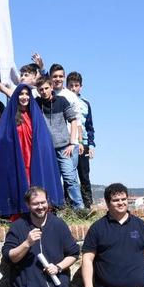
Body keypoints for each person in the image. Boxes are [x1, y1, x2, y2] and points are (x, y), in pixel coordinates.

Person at [0, 83, 64, 216]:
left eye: (27, 94)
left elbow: (44, 138)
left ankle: (39, 210)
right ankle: (21, 211)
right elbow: (2, 136)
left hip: (34, 156)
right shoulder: (10, 115)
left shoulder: (35, 115)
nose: (24, 97)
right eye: (21, 94)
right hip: (18, 157)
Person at [34, 77, 85, 211]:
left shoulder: (62, 101)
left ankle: (79, 208)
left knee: (70, 178)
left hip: (63, 147)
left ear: (51, 87)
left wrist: (72, 143)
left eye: (46, 88)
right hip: (46, 149)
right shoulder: (36, 103)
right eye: (41, 90)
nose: (44, 91)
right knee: (50, 180)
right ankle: (55, 208)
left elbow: (73, 120)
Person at [66, 72, 96, 207]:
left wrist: (91, 145)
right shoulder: (63, 100)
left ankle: (88, 205)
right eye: (71, 85)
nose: (73, 88)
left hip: (83, 143)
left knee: (84, 175)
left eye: (76, 85)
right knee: (68, 176)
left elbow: (89, 126)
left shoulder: (85, 103)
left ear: (81, 87)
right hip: (68, 143)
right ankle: (68, 205)